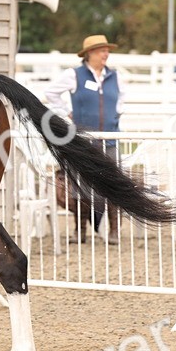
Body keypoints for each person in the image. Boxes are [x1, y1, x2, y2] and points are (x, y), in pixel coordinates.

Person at [43, 34, 125, 243]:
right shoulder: (74, 75)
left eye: (107, 50)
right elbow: (51, 93)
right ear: (90, 54)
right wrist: (67, 112)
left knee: (113, 183)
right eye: (101, 50)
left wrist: (116, 115)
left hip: (109, 137)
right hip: (83, 139)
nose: (106, 54)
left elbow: (122, 100)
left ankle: (114, 231)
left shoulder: (115, 76)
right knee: (81, 185)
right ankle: (80, 231)